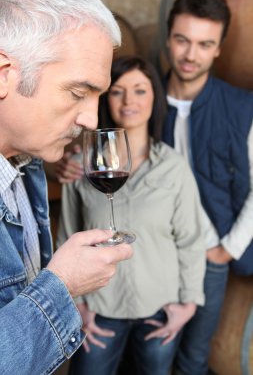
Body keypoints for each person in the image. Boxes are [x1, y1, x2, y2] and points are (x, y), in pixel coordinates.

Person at [0, 0, 133, 374]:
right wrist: (61, 284)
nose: (92, 118)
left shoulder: (29, 166)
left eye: (97, 97)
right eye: (78, 93)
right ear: (4, 74)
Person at [56, 55, 206, 375]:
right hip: (98, 309)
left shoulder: (174, 167)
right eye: (117, 91)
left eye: (140, 90)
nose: (128, 101)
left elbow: (192, 240)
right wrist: (75, 303)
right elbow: (67, 236)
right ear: (105, 98)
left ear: (155, 96)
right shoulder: (81, 166)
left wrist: (188, 303)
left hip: (159, 308)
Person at [162, 0, 253, 374]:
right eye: (183, 40)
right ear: (168, 38)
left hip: (209, 258)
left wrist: (227, 250)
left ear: (218, 49)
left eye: (204, 44)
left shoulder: (243, 107)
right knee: (149, 354)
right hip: (156, 256)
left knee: (194, 360)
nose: (190, 54)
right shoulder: (139, 99)